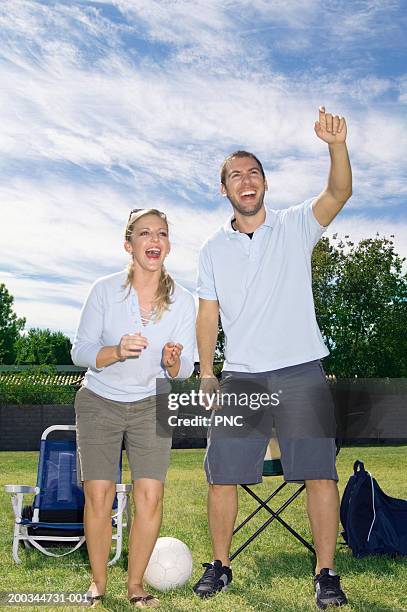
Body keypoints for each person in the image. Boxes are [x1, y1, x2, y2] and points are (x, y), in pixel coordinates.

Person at [193, 107, 352, 609]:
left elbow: (338, 193)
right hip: (241, 375)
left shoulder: (294, 226)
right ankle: (220, 565)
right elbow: (207, 315)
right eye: (236, 174)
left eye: (254, 172)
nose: (247, 179)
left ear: (264, 183)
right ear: (224, 189)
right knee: (223, 474)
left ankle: (326, 572)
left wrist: (336, 146)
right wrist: (207, 372)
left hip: (302, 369)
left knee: (320, 472)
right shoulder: (212, 249)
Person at [71, 209, 195, 608]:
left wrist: (174, 361)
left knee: (150, 496)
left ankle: (136, 586)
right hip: (99, 401)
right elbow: (81, 352)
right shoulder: (105, 290)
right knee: (99, 495)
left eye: (161, 233)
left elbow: (185, 368)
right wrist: (115, 351)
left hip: (152, 402)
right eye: (144, 233)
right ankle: (98, 583)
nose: (154, 239)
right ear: (130, 244)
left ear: (168, 245)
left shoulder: (183, 301)